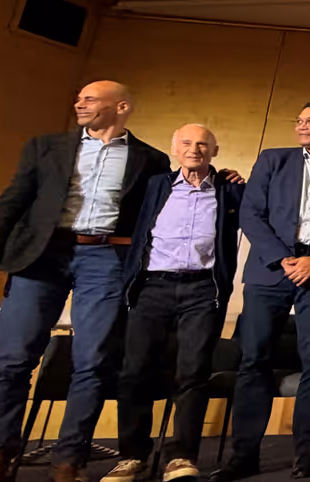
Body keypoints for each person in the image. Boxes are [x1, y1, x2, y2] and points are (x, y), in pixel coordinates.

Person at [0, 81, 175, 482]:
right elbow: (13, 200)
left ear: (120, 107)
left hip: (105, 260)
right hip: (42, 256)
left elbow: (161, 212)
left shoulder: (151, 160)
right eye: (79, 98)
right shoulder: (45, 147)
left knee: (92, 362)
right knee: (13, 360)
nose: (78, 104)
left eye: (89, 99)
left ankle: (69, 460)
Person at [214, 102, 310, 481]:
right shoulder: (273, 160)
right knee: (254, 360)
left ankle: (307, 454)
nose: (302, 126)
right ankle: (244, 455)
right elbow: (251, 214)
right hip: (271, 273)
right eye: (299, 120)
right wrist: (283, 260)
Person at [101, 125, 245, 482]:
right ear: (174, 148)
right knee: (135, 371)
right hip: (152, 287)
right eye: (186, 143)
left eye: (202, 144)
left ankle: (180, 458)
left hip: (202, 290)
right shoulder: (156, 185)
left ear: (214, 150)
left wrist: (241, 184)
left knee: (192, 374)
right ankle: (132, 457)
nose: (194, 149)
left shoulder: (230, 191)